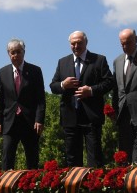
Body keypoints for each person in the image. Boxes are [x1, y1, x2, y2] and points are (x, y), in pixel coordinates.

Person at [49, 31, 115, 167]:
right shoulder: (63, 62)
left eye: (79, 42)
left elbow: (109, 82)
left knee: (95, 157)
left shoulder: (99, 60)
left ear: (86, 42)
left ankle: (93, 186)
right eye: (73, 43)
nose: (76, 46)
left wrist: (90, 91)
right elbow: (53, 86)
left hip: (91, 116)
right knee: (72, 159)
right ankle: (75, 186)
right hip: (70, 117)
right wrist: (63, 84)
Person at [0, 38, 46, 170]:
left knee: (32, 159)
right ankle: (5, 187)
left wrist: (39, 120)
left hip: (30, 122)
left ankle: (32, 187)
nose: (15, 55)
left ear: (24, 52)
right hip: (10, 122)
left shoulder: (35, 71)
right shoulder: (2, 72)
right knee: (7, 157)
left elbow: (40, 98)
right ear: (8, 54)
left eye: (18, 52)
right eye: (12, 52)